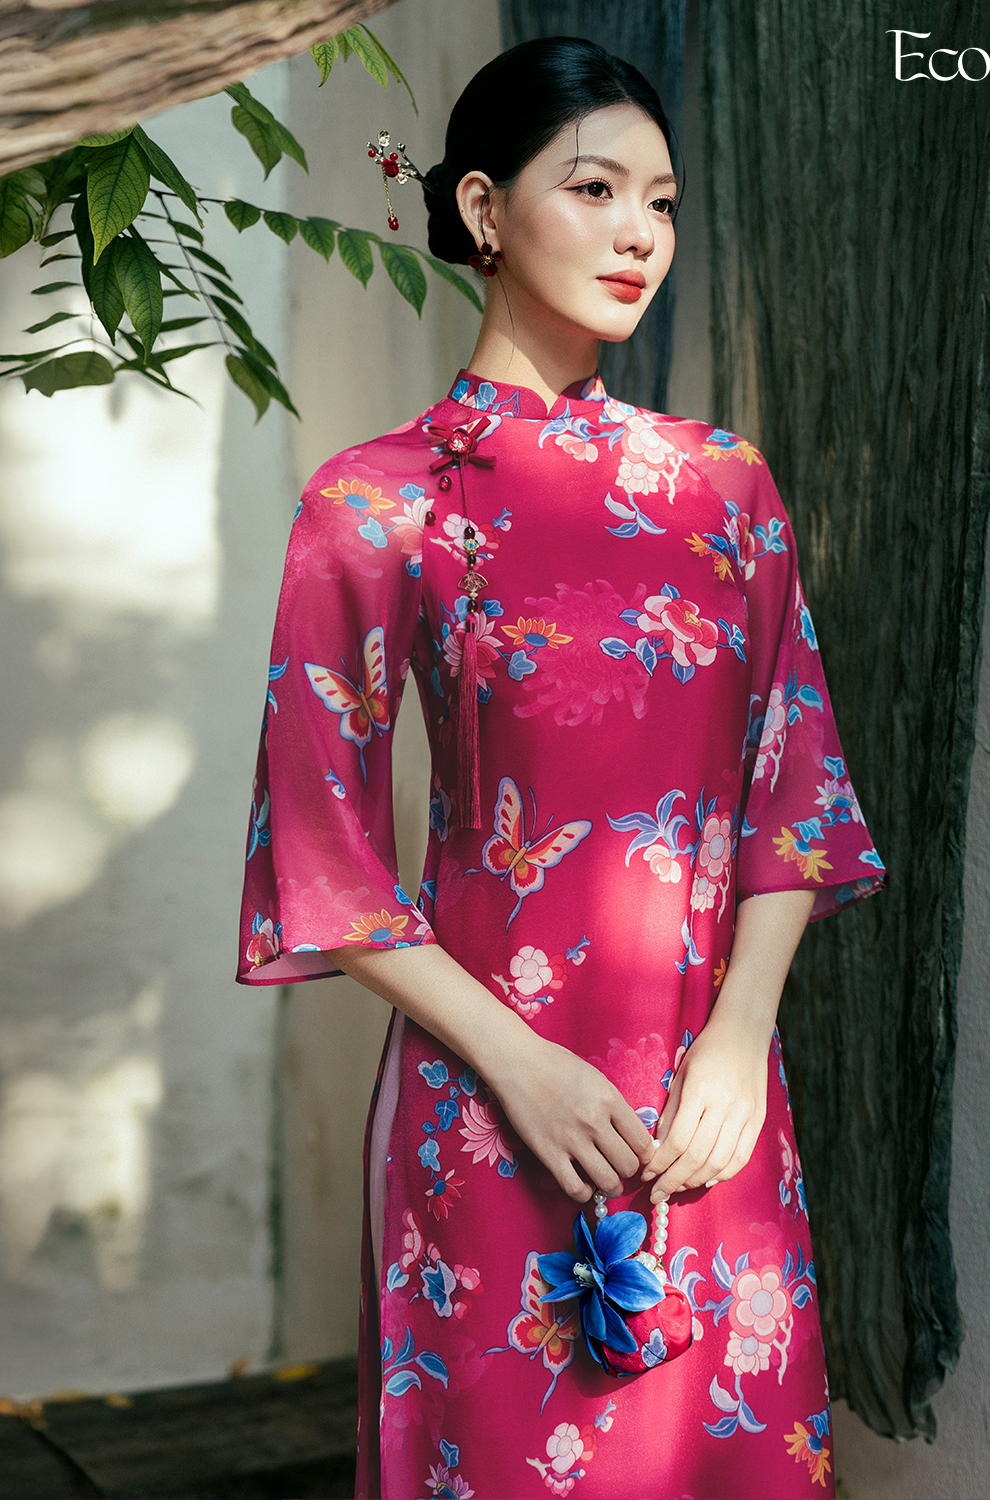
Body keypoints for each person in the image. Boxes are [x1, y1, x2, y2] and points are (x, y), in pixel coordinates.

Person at [238, 36, 883, 1500]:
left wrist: (741, 1038)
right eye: (593, 188)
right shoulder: (377, 503)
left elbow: (795, 781)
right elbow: (322, 856)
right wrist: (521, 1067)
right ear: (483, 208)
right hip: (492, 1101)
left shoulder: (724, 485)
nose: (639, 232)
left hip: (710, 1107)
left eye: (662, 201)